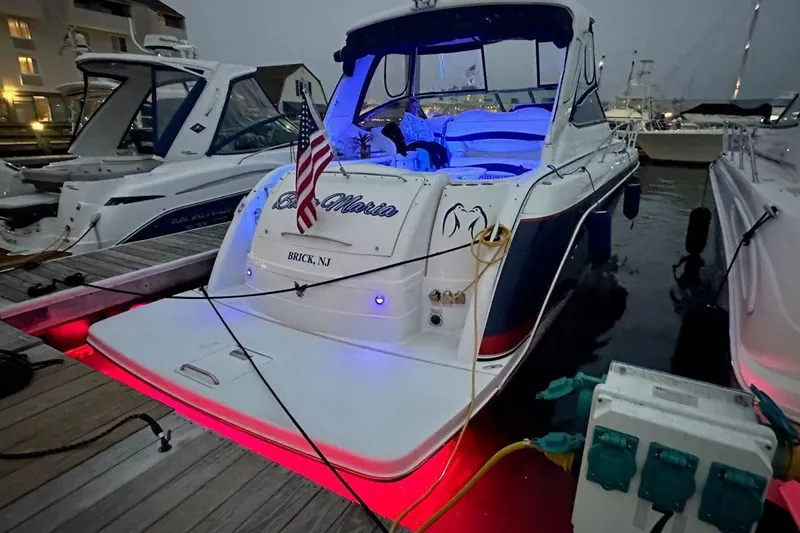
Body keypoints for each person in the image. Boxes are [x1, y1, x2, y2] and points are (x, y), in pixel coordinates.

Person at [398, 98, 449, 168]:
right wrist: (421, 136)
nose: (415, 109)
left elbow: (427, 131)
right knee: (431, 148)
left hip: (425, 140)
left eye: (417, 107)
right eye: (413, 107)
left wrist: (430, 137)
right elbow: (407, 134)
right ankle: (438, 166)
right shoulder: (406, 118)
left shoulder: (420, 119)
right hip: (413, 143)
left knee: (442, 149)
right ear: (408, 107)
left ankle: (445, 165)